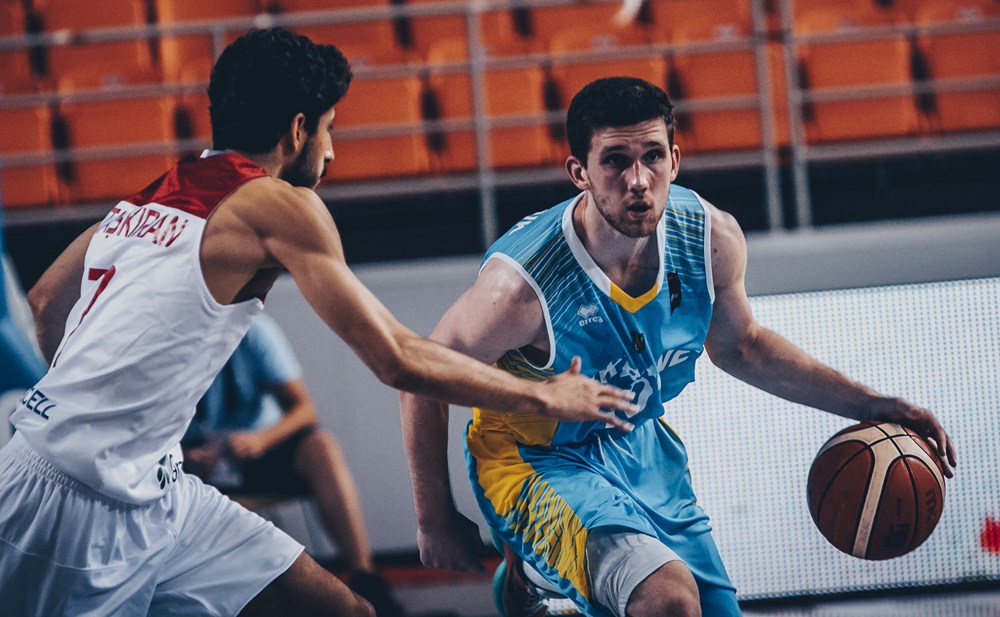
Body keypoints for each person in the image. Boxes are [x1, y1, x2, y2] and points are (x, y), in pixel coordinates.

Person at [0, 28, 637, 617]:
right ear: (298, 128)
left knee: (346, 610)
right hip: (72, 505)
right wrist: (543, 395)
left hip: (152, 488)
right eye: (329, 130)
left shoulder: (144, 198)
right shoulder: (278, 204)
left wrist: (96, 408)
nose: (331, 152)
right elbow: (395, 357)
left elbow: (45, 302)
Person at [399, 77, 958, 617]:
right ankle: (536, 569)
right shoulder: (522, 287)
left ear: (675, 159)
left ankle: (538, 577)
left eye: (652, 156)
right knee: (667, 600)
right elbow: (419, 375)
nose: (638, 180)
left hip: (642, 447)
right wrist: (434, 517)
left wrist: (871, 404)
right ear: (579, 173)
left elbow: (744, 348)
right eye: (615, 160)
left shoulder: (709, 237)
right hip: (534, 459)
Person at [182, 313, 404, 617]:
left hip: (259, 451)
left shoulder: (253, 329)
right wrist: (182, 455)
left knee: (321, 447)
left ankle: (365, 575)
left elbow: (305, 409)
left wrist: (261, 440)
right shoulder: (170, 339)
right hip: (194, 466)